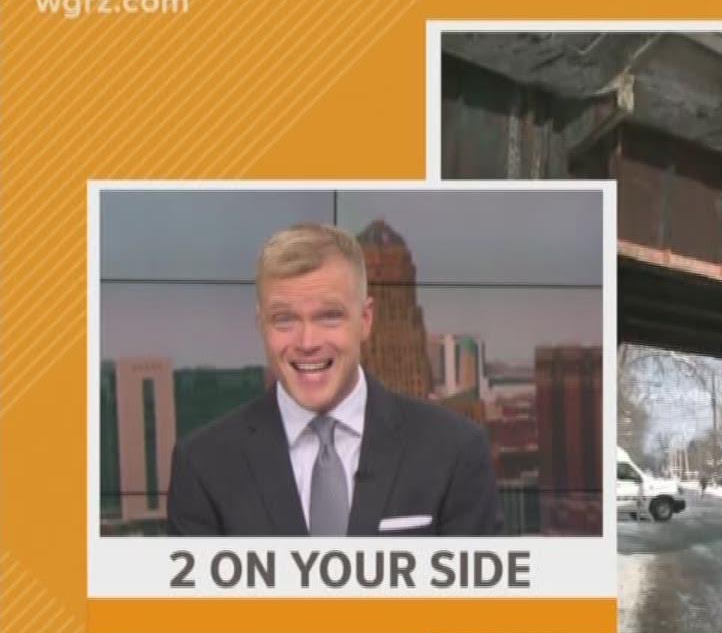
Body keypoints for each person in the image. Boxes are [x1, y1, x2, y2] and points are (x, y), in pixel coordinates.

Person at [166, 223, 505, 536]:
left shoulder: (454, 449)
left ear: (365, 320)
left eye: (329, 316)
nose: (307, 342)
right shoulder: (203, 465)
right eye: (284, 319)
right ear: (262, 325)